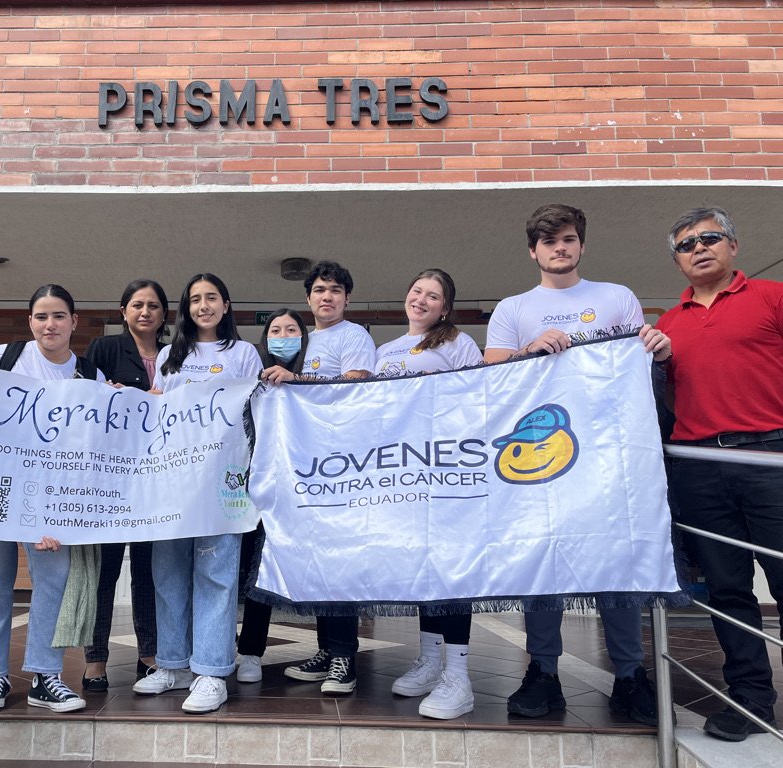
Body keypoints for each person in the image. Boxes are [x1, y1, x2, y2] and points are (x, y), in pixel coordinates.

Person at [483, 203, 670, 726]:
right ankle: (543, 672)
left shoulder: (616, 297)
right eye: (549, 242)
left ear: (581, 245)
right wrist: (528, 350)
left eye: (567, 239)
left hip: (609, 454)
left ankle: (630, 675)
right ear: (533, 251)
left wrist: (657, 349)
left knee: (617, 560)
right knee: (543, 560)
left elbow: (639, 362)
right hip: (542, 461)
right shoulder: (514, 308)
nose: (559, 248)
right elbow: (489, 375)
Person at [657, 207, 783, 741]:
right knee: (728, 591)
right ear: (678, 261)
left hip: (770, 458)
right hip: (700, 467)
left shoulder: (772, 297)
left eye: (709, 238)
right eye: (686, 245)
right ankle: (751, 701)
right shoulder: (667, 325)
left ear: (733, 245)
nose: (699, 248)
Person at [132, 273, 262, 713]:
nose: (203, 306)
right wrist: (127, 399)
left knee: (216, 576)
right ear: (186, 309)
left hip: (221, 484)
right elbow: (157, 407)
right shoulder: (172, 354)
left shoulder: (242, 353)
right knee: (168, 573)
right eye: (194, 300)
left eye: (211, 298)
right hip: (172, 484)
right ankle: (173, 665)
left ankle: (211, 672)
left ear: (226, 305)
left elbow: (255, 409)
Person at [0, 285, 96, 714]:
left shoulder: (89, 376)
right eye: (41, 316)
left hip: (51, 497)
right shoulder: (2, 359)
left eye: (59, 316)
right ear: (30, 321)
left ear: (74, 321)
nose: (49, 325)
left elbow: (93, 448)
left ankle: (46, 676)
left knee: (53, 582)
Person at [375, 269, 483, 719]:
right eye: (417, 291)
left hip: (446, 471)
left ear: (445, 308)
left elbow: (477, 401)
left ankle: (458, 677)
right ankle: (430, 661)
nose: (421, 299)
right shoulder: (385, 351)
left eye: (433, 296)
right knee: (425, 567)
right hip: (403, 475)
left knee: (452, 568)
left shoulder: (459, 344)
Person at [281, 261, 376, 696]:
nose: (327, 297)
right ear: (308, 298)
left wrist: (298, 379)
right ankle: (325, 649)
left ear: (347, 298)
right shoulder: (302, 340)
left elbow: (354, 387)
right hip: (306, 462)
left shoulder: (353, 337)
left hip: (342, 464)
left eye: (335, 290)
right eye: (319, 290)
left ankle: (344, 658)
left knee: (340, 563)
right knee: (318, 561)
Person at [80, 279, 167, 691]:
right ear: (123, 311)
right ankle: (95, 660)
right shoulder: (105, 349)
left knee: (149, 573)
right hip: (110, 481)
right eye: (137, 304)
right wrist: (109, 394)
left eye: (153, 305)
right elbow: (85, 400)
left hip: (157, 481)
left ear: (164, 314)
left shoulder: (175, 355)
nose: (145, 312)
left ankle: (149, 656)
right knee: (105, 572)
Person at [236, 308, 310, 684]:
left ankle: (332, 652)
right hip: (260, 488)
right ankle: (250, 652)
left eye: (291, 329)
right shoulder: (253, 382)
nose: (283, 336)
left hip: (307, 490)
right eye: (275, 330)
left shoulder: (314, 380)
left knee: (316, 569)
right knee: (256, 569)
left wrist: (298, 381)